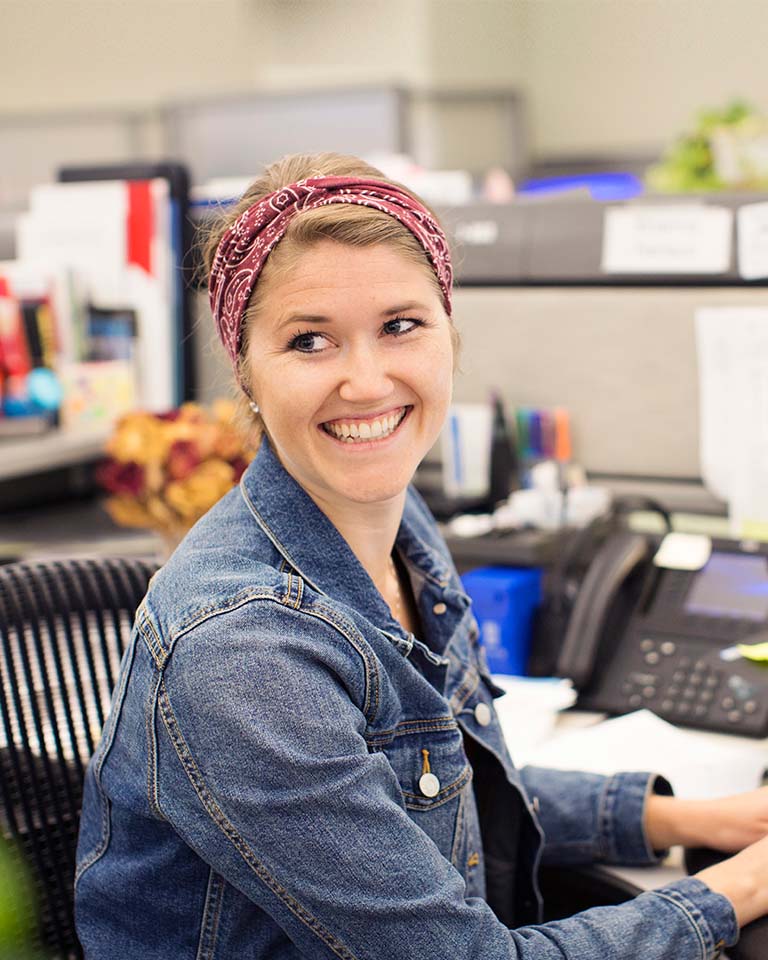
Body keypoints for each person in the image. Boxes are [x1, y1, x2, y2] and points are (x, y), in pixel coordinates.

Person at [75, 152, 768, 959]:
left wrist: (698, 820)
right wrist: (742, 886)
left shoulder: (400, 529)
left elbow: (440, 787)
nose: (368, 382)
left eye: (401, 326)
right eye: (310, 341)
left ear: (449, 335)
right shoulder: (241, 647)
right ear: (246, 374)